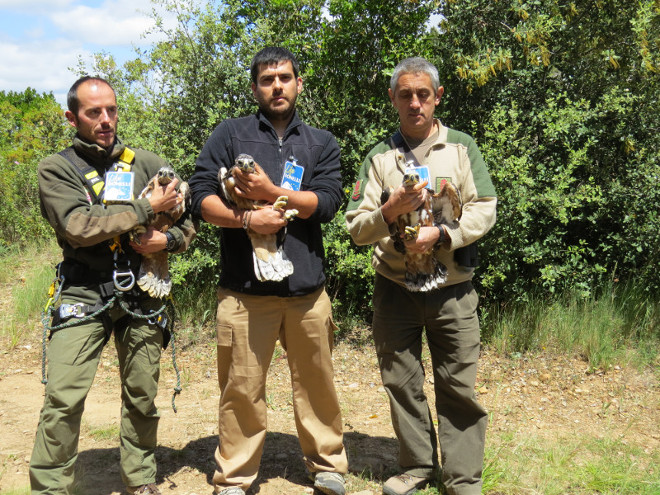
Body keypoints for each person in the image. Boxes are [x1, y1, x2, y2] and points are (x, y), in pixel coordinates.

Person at [188, 47, 348, 495]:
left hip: (307, 291)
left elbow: (330, 202)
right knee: (241, 388)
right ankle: (235, 477)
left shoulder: (320, 142)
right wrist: (246, 219)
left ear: (298, 83)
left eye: (284, 77)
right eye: (266, 79)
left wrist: (271, 192)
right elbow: (199, 196)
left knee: (317, 384)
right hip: (244, 292)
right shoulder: (230, 134)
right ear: (255, 87)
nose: (276, 86)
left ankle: (327, 466)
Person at [30, 76, 196, 495]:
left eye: (111, 110)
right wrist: (147, 207)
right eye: (93, 112)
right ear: (72, 117)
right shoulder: (57, 169)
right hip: (84, 293)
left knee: (142, 393)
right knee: (63, 399)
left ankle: (140, 478)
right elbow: (78, 226)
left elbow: (188, 224)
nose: (105, 120)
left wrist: (167, 240)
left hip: (142, 292)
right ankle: (50, 488)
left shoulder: (145, 161)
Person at [346, 57, 497, 495]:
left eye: (423, 94)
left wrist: (444, 234)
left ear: (437, 97)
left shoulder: (462, 148)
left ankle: (462, 478)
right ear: (393, 98)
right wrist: (389, 210)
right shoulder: (379, 158)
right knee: (401, 382)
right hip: (394, 290)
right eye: (405, 94)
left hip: (453, 289)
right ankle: (416, 466)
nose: (415, 103)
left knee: (458, 385)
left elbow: (485, 207)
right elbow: (356, 228)